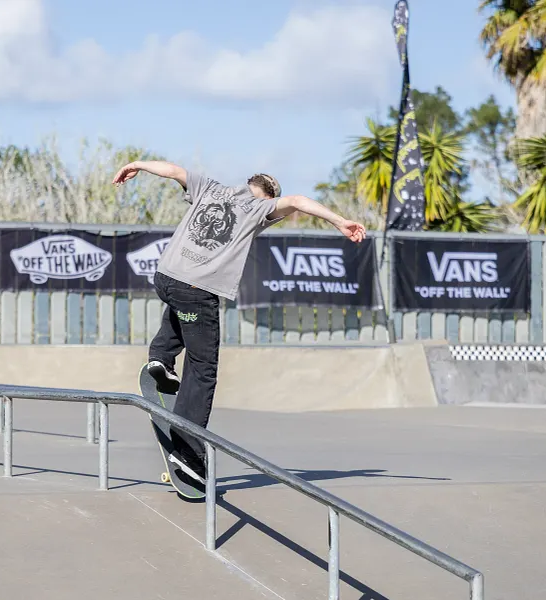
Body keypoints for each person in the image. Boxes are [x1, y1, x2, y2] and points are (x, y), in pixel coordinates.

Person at [112, 160, 366, 489]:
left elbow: (173, 171)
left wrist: (137, 165)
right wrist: (340, 221)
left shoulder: (210, 187)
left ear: (249, 184)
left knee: (181, 305)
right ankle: (187, 452)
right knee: (202, 369)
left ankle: (161, 356)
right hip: (197, 290)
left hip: (166, 278)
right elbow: (299, 201)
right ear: (269, 196)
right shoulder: (261, 208)